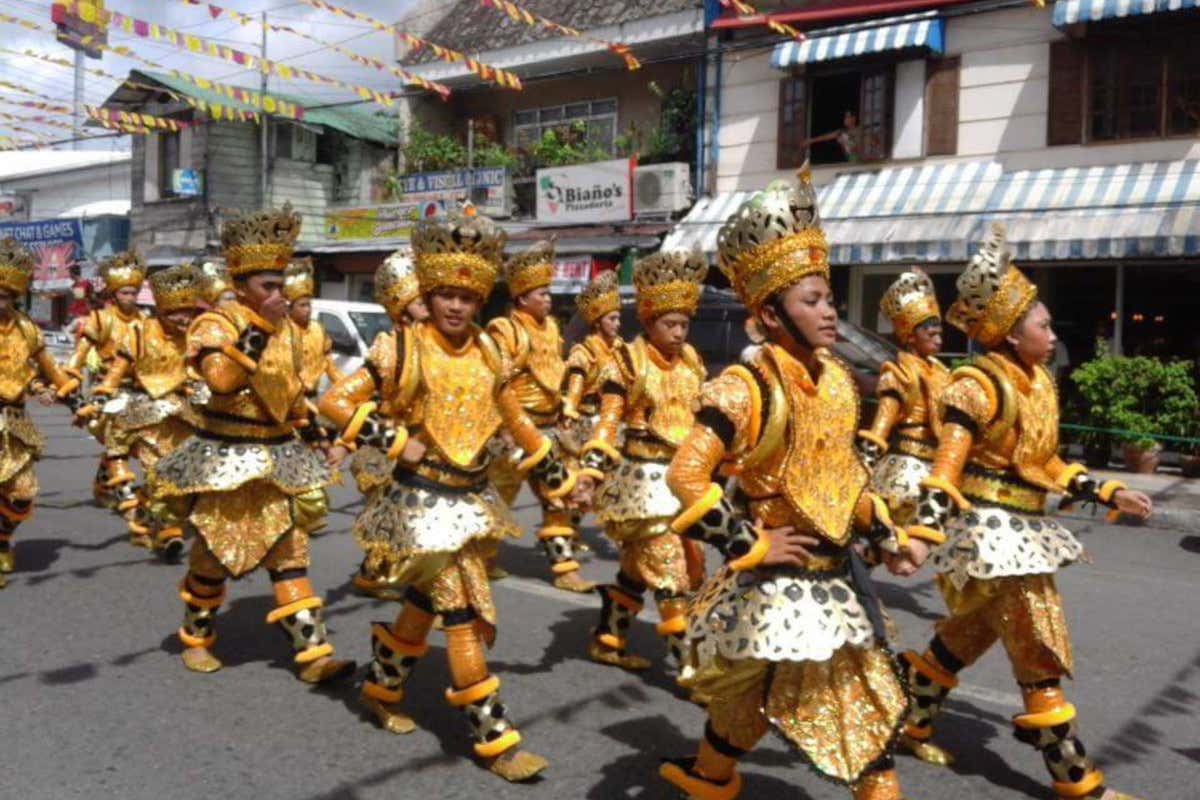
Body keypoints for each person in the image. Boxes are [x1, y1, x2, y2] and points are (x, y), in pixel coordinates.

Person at [657, 169, 931, 800]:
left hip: (835, 579)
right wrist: (749, 544)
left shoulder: (837, 382)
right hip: (777, 580)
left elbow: (845, 480)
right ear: (767, 317)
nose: (830, 310)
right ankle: (709, 777)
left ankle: (706, 778)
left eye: (828, 297)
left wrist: (888, 535)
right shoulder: (745, 386)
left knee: (764, 707)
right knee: (848, 726)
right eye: (811, 300)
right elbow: (686, 473)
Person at [319, 206, 575, 783]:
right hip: (419, 501)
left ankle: (382, 686)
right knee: (461, 611)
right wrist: (391, 438)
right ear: (428, 295)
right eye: (445, 295)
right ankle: (495, 739)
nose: (456, 306)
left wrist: (561, 477)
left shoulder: (490, 353)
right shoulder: (399, 349)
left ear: (480, 299)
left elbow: (518, 424)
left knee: (427, 603)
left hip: (470, 498)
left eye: (467, 296)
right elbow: (333, 403)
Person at [900, 224, 1153, 800]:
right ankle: (1077, 782)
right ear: (1014, 335)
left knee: (965, 637)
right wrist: (920, 533)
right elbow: (946, 467)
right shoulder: (975, 386)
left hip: (1026, 528)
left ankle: (909, 719)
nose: (1051, 330)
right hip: (990, 533)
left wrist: (1107, 491)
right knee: (1039, 646)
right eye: (1042, 324)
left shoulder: (1039, 382)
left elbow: (1047, 462)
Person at [148, 203, 353, 684]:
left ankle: (313, 655)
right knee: (213, 555)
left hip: (278, 456)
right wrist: (259, 326)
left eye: (281, 285)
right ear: (240, 285)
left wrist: (313, 430)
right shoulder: (214, 325)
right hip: (226, 458)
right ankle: (196, 639)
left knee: (290, 553)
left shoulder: (289, 330)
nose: (279, 295)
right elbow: (222, 380)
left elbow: (288, 391)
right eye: (268, 287)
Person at [579, 249, 708, 674]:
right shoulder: (628, 362)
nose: (678, 332)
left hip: (682, 479)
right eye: (669, 324)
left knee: (641, 569)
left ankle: (608, 639)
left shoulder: (692, 360)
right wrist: (591, 468)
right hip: (644, 483)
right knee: (671, 572)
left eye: (684, 324)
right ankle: (690, 665)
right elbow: (608, 421)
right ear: (649, 322)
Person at [485, 238, 592, 592]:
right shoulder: (505, 330)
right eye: (541, 293)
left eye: (549, 293)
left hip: (547, 432)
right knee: (496, 502)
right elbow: (494, 381)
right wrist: (504, 430)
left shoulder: (551, 328)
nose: (548, 299)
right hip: (515, 430)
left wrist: (564, 405)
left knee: (557, 497)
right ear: (521, 299)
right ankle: (478, 560)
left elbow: (556, 373)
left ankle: (564, 569)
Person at [81, 264, 202, 558]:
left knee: (182, 476)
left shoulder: (195, 339)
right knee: (155, 472)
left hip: (182, 414)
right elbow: (115, 370)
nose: (184, 318)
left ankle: (148, 521)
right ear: (162, 310)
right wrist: (101, 391)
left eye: (188, 311)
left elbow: (204, 373)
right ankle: (167, 533)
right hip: (140, 408)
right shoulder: (137, 331)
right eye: (176, 312)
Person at [0, 238, 83, 588]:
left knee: (21, 494)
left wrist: (61, 391)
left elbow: (48, 370)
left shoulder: (28, 329)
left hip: (15, 422)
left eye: (6, 294)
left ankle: (2, 539)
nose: (0, 300)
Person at [347, 249, 428, 602]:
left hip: (426, 444)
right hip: (389, 442)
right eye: (419, 298)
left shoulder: (439, 343)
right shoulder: (388, 348)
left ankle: (394, 573)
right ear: (400, 305)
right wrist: (386, 440)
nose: (427, 303)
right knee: (391, 514)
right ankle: (373, 574)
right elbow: (337, 402)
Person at [857, 268, 950, 528]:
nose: (938, 340)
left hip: (937, 463)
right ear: (911, 336)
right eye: (931, 334)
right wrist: (862, 470)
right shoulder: (899, 374)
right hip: (906, 468)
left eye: (940, 334)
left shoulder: (942, 373)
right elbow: (881, 427)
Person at [66, 250, 147, 509]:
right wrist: (69, 381)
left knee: (133, 442)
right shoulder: (101, 318)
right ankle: (126, 497)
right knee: (118, 442)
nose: (130, 297)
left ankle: (103, 485)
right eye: (125, 293)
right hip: (107, 393)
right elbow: (80, 353)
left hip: (138, 390)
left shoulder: (145, 320)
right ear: (114, 293)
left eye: (133, 292)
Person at [283, 257, 342, 434]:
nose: (307, 309)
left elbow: (329, 364)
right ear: (289, 308)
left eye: (309, 305)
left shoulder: (318, 329)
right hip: (288, 402)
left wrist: (345, 386)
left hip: (313, 399)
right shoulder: (281, 332)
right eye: (302, 305)